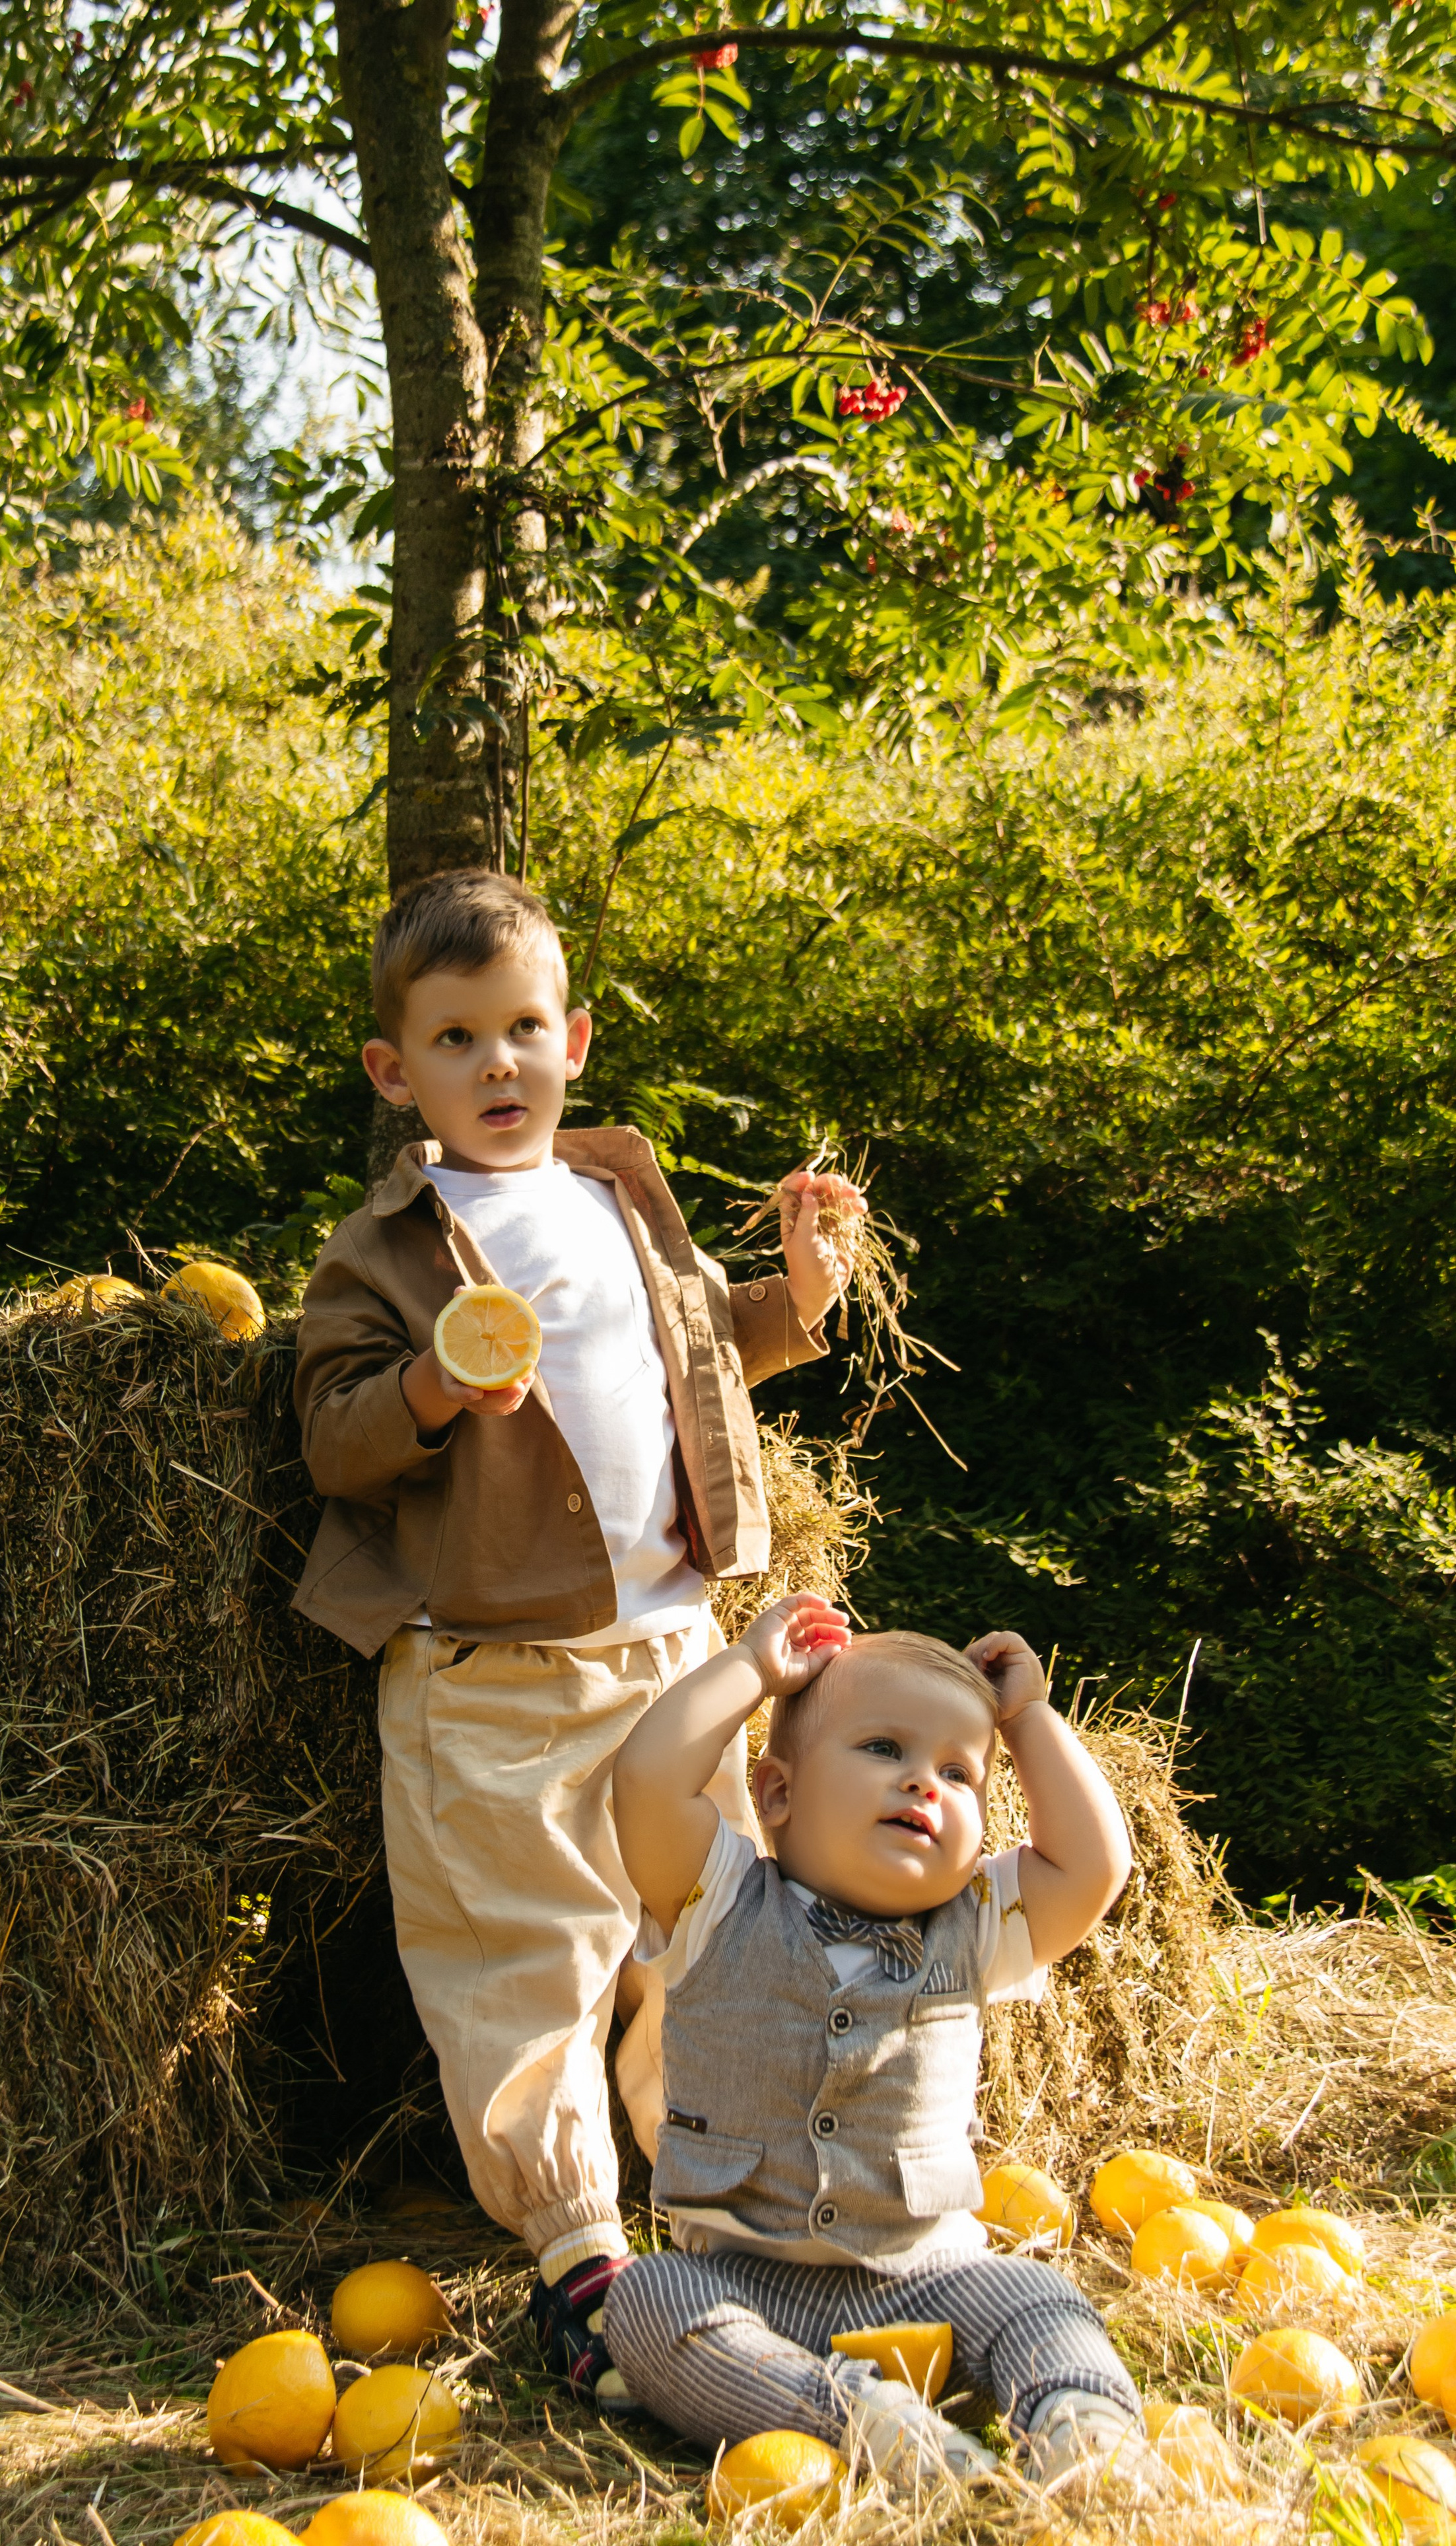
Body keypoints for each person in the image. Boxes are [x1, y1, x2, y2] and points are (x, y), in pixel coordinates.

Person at [292, 866, 862, 2405]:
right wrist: (429, 1392)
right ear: (392, 1071)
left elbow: (699, 1346)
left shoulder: (619, 1201)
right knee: (523, 1960)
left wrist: (795, 1298)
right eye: (456, 1037)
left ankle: (719, 2221)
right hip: (488, 1674)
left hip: (675, 1651)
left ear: (575, 1039)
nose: (497, 1064)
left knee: (712, 1936)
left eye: (523, 1028)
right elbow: (333, 1437)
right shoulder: (386, 1248)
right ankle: (579, 2262)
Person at [605, 1598, 1165, 2499]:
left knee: (1039, 2301)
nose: (924, 1784)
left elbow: (1094, 1866)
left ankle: (1082, 2430)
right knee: (646, 2304)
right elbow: (646, 1781)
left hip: (928, 2278)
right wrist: (752, 1670)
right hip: (749, 2286)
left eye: (959, 1772)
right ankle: (862, 2423)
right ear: (778, 1793)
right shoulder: (716, 1904)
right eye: (884, 1750)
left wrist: (1028, 1722)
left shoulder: (976, 1926)